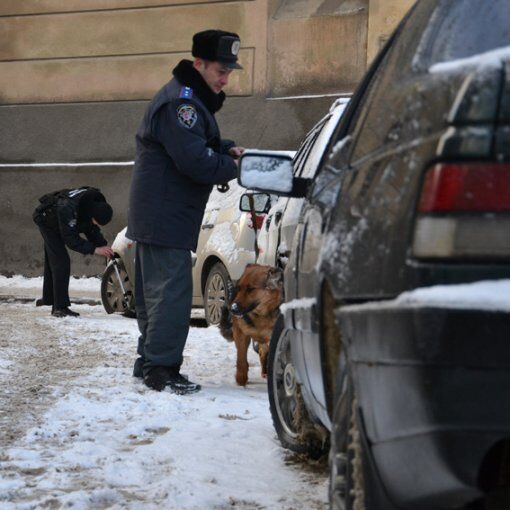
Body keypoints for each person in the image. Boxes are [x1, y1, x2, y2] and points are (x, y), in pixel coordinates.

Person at [127, 29, 244, 393]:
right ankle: (160, 369)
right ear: (199, 64)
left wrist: (224, 148)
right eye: (219, 70)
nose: (225, 78)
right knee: (171, 293)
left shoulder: (187, 98)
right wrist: (232, 165)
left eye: (229, 71)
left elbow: (195, 145)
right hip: (167, 213)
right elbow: (194, 160)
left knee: (156, 292)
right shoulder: (184, 104)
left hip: (159, 211)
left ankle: (148, 360)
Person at [33, 186, 114, 317]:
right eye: (96, 222)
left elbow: (91, 229)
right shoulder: (69, 208)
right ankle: (59, 307)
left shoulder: (91, 204)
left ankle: (49, 298)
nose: (97, 225)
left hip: (60, 219)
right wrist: (95, 249)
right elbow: (71, 240)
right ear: (92, 215)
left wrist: (104, 247)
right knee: (61, 262)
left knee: (53, 258)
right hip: (47, 219)